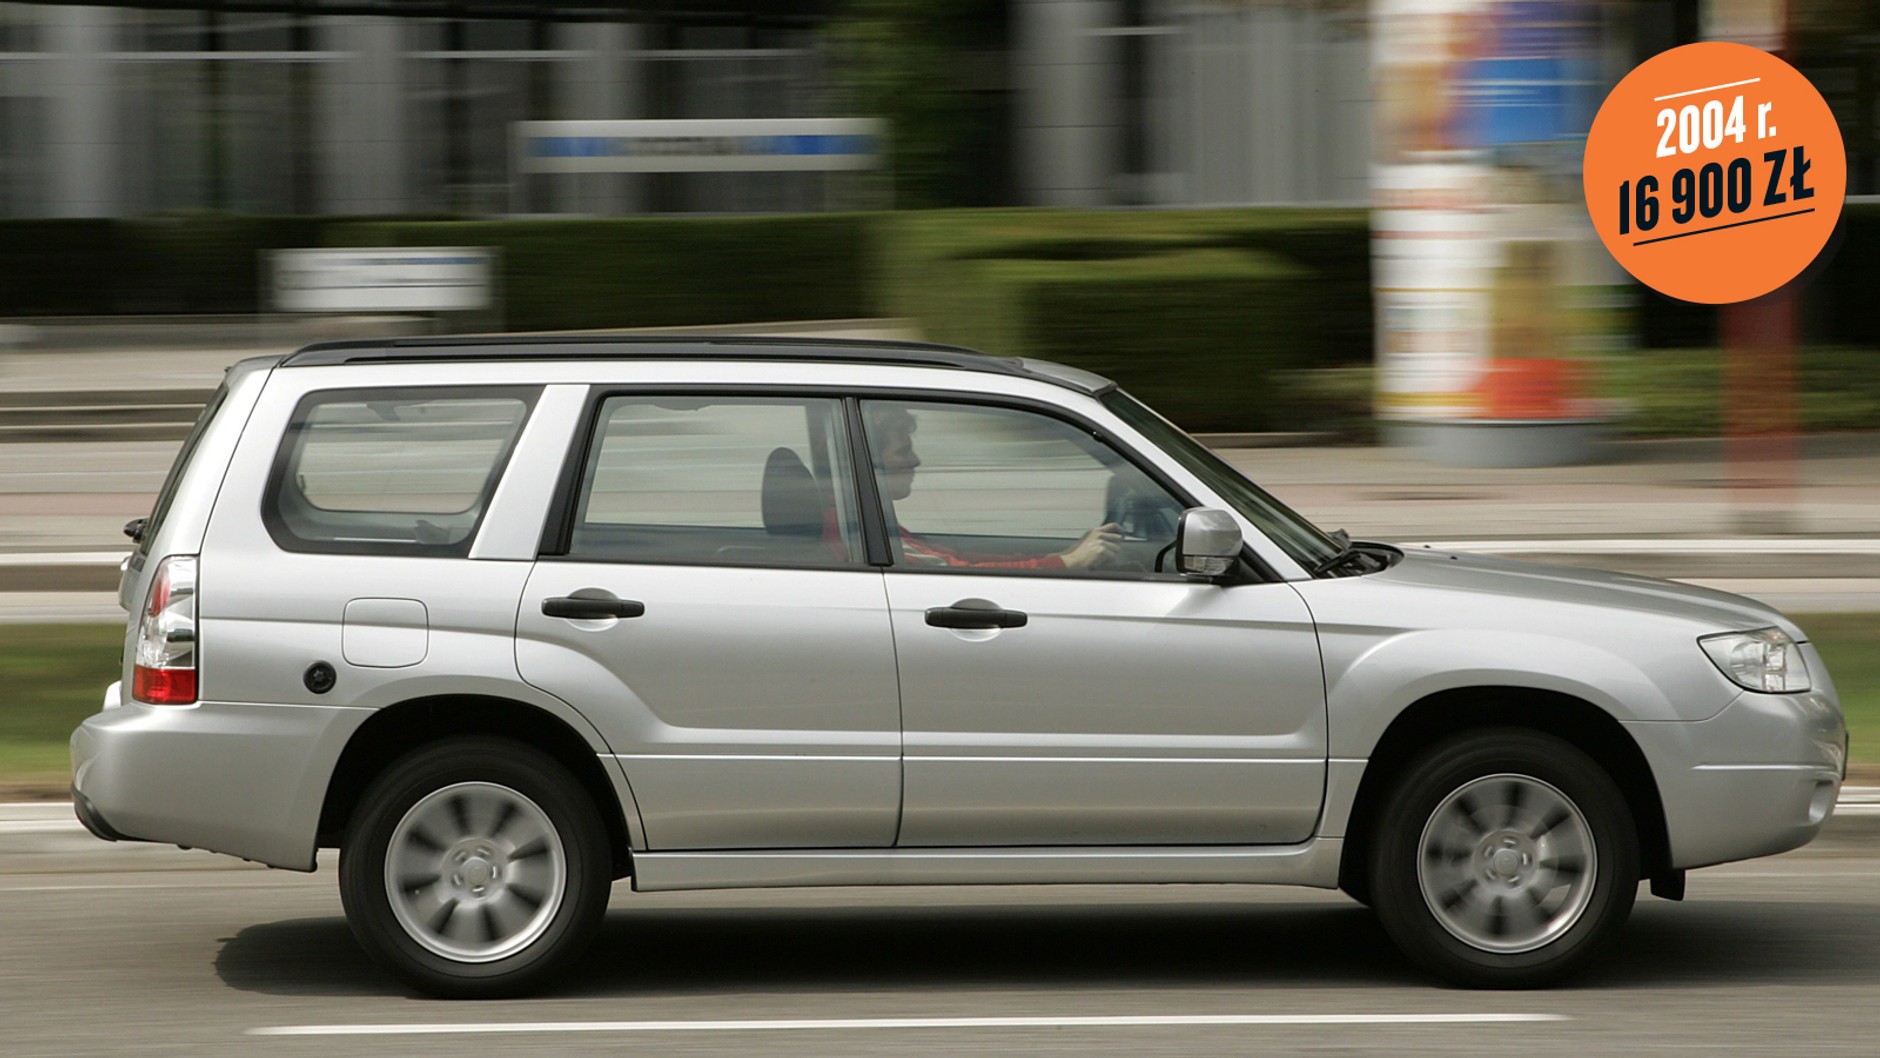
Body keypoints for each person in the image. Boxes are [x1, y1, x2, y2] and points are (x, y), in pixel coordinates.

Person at [865, 404, 1122, 571]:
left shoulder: (870, 525)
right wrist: (1069, 562)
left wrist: (1063, 555)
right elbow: (957, 569)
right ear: (871, 462)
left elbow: (956, 556)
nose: (915, 460)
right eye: (902, 451)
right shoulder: (852, 530)